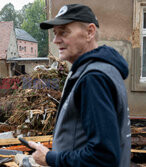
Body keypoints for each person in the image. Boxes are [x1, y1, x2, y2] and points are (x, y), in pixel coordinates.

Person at [28, 4, 131, 167]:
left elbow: (103, 157)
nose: (55, 40)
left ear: (90, 32)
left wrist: (50, 158)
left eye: (63, 32)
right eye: (55, 33)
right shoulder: (104, 69)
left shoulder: (93, 78)